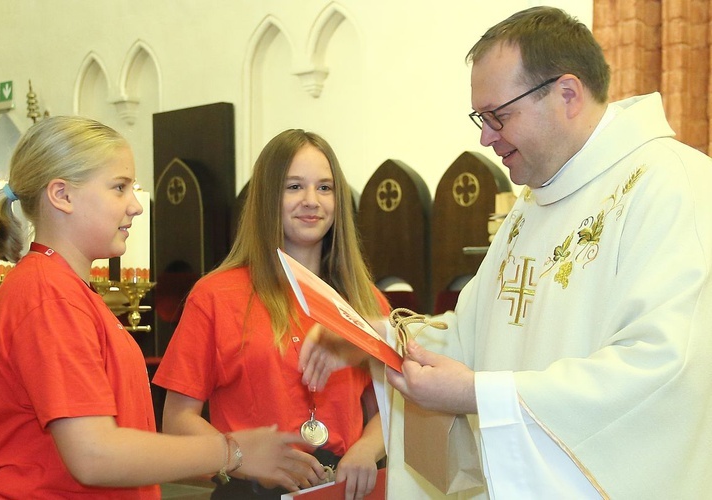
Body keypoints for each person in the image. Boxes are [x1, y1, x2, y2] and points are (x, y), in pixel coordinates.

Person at [301, 6, 712, 499]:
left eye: (499, 115)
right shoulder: (532, 203)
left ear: (567, 94)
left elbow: (668, 370)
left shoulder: (671, 184)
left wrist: (480, 394)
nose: (484, 136)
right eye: (481, 117)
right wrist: (377, 337)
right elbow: (473, 333)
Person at [0, 116, 311, 499]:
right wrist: (231, 451)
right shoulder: (48, 296)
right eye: (119, 188)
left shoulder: (64, 289)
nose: (135, 206)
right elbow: (93, 454)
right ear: (61, 195)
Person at [153, 128, 390, 499]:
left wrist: (366, 449)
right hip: (252, 492)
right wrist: (244, 457)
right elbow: (177, 420)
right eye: (294, 187)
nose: (312, 201)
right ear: (267, 198)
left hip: (344, 489)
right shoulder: (216, 295)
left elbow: (388, 410)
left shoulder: (367, 302)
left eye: (325, 188)